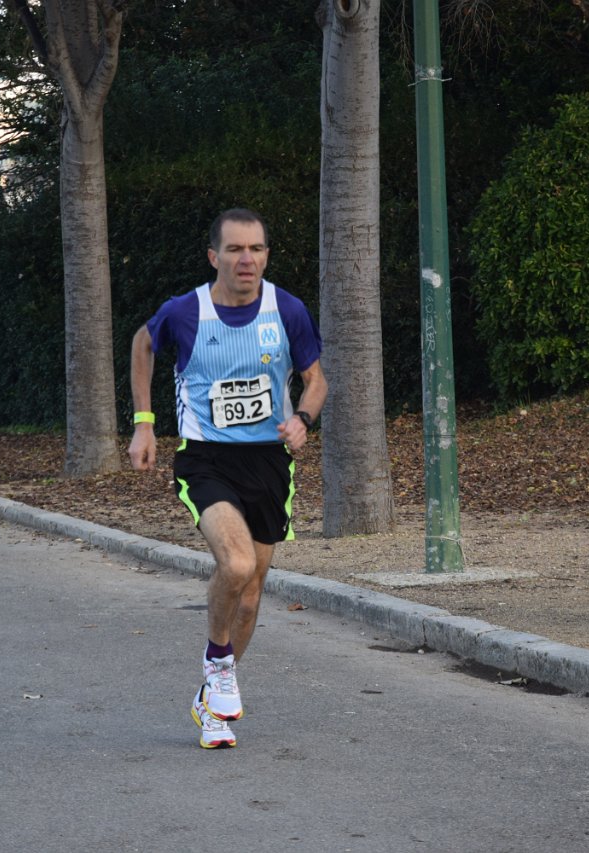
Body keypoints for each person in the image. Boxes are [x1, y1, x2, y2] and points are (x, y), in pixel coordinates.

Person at [128, 208, 327, 749]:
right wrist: (144, 423)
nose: (247, 259)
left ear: (266, 255)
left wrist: (303, 419)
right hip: (206, 460)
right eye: (235, 249)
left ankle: (210, 702)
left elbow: (315, 380)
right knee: (235, 564)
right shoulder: (185, 311)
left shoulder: (287, 309)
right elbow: (143, 343)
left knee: (252, 595)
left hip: (269, 463)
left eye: (256, 249)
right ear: (214, 256)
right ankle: (218, 664)